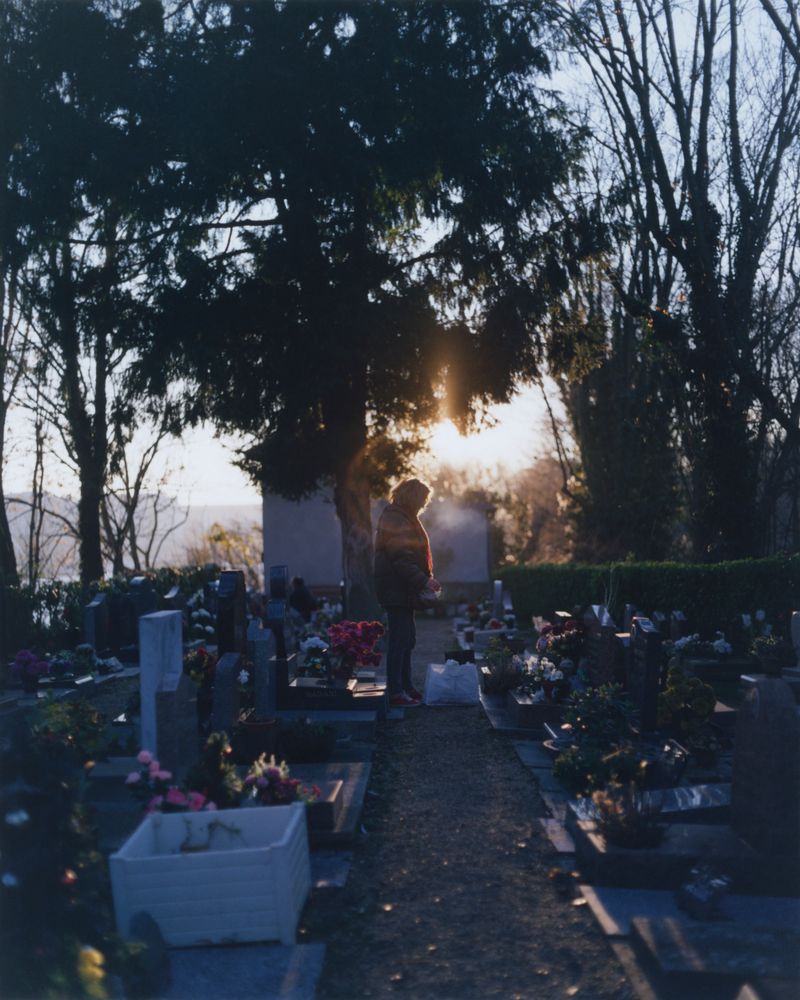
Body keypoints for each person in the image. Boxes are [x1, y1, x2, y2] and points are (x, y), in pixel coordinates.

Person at [374, 477, 441, 707]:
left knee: (408, 639)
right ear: (413, 497)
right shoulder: (396, 518)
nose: (424, 504)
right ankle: (396, 691)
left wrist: (425, 580)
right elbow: (401, 557)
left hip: (402, 589)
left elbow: (411, 556)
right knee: (400, 640)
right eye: (422, 499)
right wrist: (423, 581)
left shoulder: (403, 516)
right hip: (396, 588)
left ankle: (406, 686)